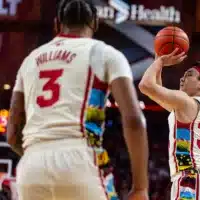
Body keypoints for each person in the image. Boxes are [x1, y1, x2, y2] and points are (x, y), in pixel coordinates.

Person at [6, 0, 149, 199]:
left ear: (57, 24)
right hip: (80, 157)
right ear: (96, 24)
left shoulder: (30, 60)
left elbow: (12, 134)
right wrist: (141, 187)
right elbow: (134, 120)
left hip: (31, 164)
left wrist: (41, 158)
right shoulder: (106, 54)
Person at [139, 49, 200, 199]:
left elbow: (145, 85)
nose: (182, 78)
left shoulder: (186, 101)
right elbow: (157, 94)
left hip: (189, 180)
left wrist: (159, 62)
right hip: (196, 180)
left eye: (189, 75)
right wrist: (158, 65)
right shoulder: (194, 105)